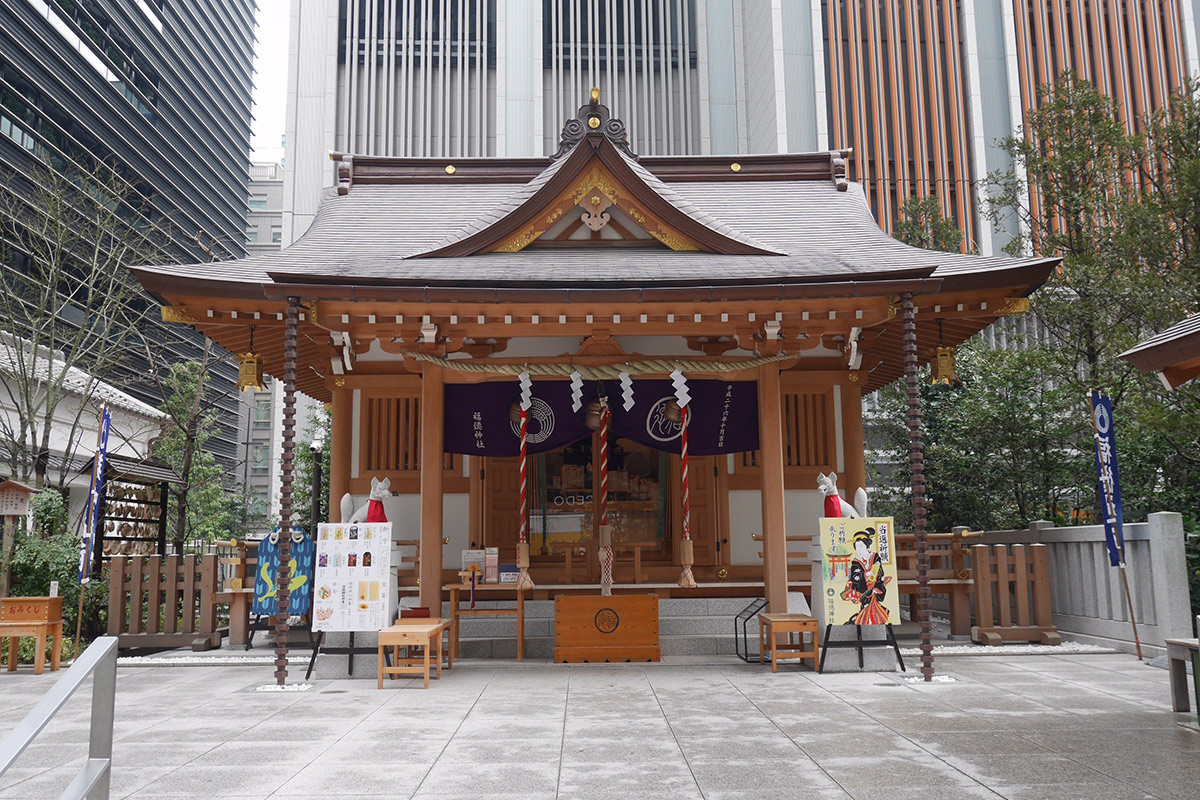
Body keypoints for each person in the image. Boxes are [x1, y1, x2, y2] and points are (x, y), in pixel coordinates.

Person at [840, 529, 890, 625]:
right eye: (857, 547)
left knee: (872, 605)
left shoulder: (874, 556)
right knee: (866, 604)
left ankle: (861, 619)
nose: (859, 549)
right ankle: (861, 619)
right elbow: (855, 576)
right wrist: (865, 575)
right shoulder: (856, 561)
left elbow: (880, 571)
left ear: (867, 546)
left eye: (861, 546)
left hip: (875, 584)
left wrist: (875, 579)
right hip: (862, 586)